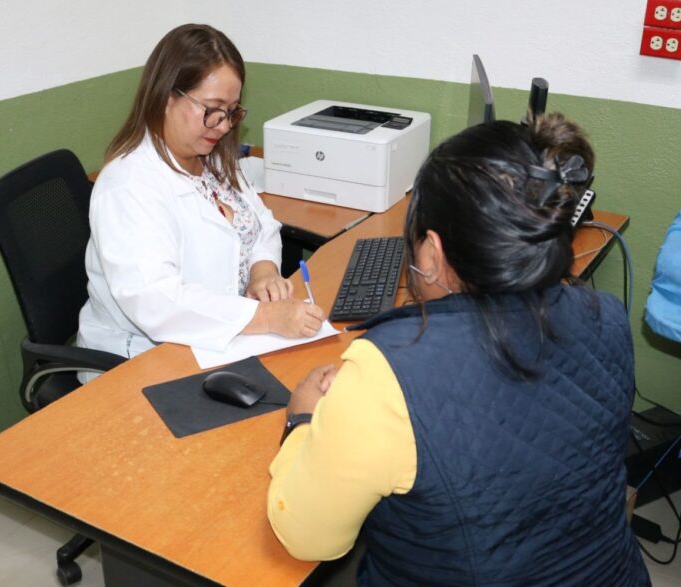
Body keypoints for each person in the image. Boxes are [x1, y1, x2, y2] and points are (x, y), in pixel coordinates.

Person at [267, 115, 649, 586]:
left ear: (431, 251)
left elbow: (309, 538)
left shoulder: (386, 374)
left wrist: (302, 420)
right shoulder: (607, 316)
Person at [77, 24, 324, 361]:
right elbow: (156, 302)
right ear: (166, 98)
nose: (223, 125)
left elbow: (260, 223)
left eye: (232, 111)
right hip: (146, 358)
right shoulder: (128, 186)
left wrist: (262, 268)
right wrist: (266, 317)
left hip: (228, 340)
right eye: (212, 109)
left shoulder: (211, 157)